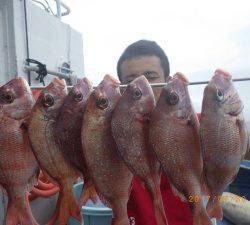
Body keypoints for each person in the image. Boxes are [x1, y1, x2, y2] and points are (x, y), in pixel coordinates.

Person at [117, 39, 193, 225]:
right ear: (121, 88)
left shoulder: (190, 122)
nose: (144, 85)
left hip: (191, 207)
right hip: (133, 219)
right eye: (131, 81)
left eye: (150, 76)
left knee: (196, 199)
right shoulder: (112, 129)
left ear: (167, 82)